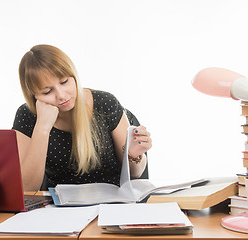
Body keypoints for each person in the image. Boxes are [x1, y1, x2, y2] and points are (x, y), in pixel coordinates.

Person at [13, 44, 152, 191]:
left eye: (64, 82)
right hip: (60, 208)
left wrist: (134, 155)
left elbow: (136, 174)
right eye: (47, 92)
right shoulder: (27, 116)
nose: (61, 95)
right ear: (34, 96)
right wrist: (42, 127)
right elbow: (27, 189)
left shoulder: (105, 103)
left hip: (112, 203)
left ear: (74, 76)